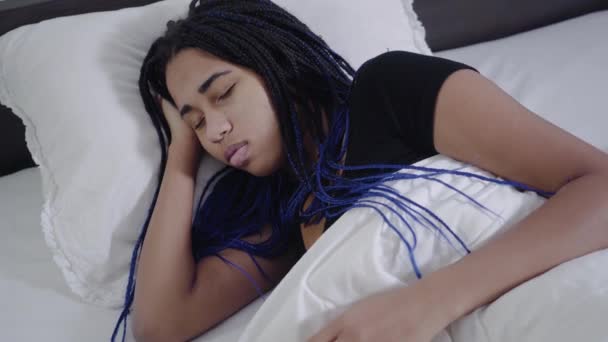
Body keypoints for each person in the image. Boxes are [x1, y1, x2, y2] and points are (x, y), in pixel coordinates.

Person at [112, 0, 608, 341]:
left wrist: (428, 302)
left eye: (223, 93)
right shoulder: (287, 218)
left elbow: (597, 184)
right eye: (195, 121)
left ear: (278, 64)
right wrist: (180, 154)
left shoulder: (390, 90)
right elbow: (162, 324)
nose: (214, 130)